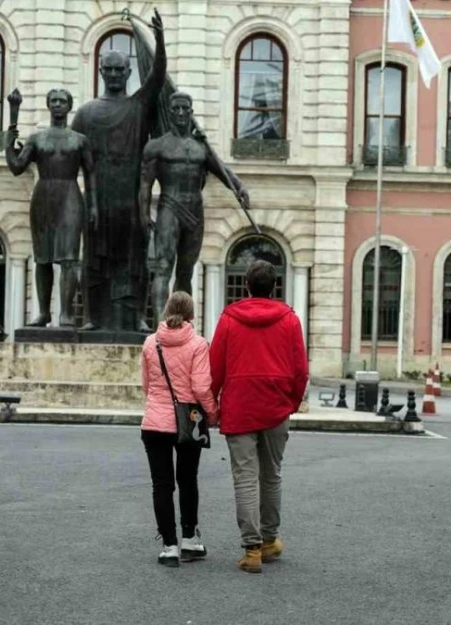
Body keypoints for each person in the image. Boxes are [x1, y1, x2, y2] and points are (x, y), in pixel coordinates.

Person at [70, 9, 167, 332]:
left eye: (119, 69)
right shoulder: (84, 114)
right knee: (93, 259)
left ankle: (138, 315)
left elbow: (157, 77)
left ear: (128, 72)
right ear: (100, 71)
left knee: (135, 260)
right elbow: (74, 160)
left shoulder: (138, 106)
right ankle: (89, 316)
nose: (113, 74)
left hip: (131, 198)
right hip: (97, 197)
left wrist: (160, 39)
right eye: (108, 69)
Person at [209, 260, 308, 574]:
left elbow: (215, 367)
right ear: (274, 287)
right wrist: (291, 402)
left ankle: (251, 549)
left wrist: (212, 402)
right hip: (276, 404)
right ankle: (269, 540)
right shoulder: (290, 320)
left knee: (244, 478)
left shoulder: (228, 319)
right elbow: (300, 369)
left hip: (239, 405)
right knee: (271, 475)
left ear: (247, 286)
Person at [138, 91, 249, 329]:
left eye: (184, 109)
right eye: (175, 109)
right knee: (163, 267)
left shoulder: (201, 147)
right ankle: (161, 322)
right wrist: (145, 213)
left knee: (186, 271)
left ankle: (182, 322)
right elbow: (145, 184)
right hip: (170, 207)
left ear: (191, 113)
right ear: (169, 113)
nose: (180, 113)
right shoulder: (157, 146)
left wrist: (239, 187)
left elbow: (222, 171)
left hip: (195, 211)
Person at [5, 87, 96, 327]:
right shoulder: (37, 139)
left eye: (62, 101)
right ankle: (44, 312)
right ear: (48, 105)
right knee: (42, 259)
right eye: (53, 100)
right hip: (43, 196)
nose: (57, 104)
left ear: (69, 106)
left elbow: (91, 175)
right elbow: (16, 167)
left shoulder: (80, 140)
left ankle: (65, 313)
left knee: (69, 259)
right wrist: (10, 134)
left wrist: (93, 205)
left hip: (70, 196)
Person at [139, 291, 217, 567]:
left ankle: (169, 546)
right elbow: (200, 387)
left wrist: (159, 402)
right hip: (188, 420)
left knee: (161, 484)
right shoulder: (198, 344)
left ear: (166, 310)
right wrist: (212, 412)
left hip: (154, 422)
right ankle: (190, 541)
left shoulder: (151, 343)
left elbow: (146, 385)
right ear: (192, 314)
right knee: (187, 480)